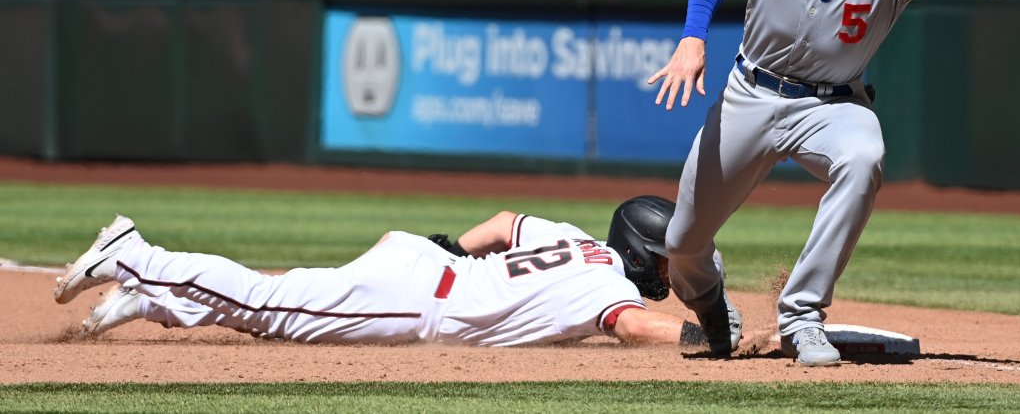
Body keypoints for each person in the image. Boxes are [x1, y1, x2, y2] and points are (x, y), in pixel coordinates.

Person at [648, 0, 1003, 363]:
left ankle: (802, 315)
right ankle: (712, 302)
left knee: (864, 155)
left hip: (831, 103)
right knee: (683, 244)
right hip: (752, 91)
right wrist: (693, 38)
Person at [53, 197, 722, 350]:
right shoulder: (609, 286)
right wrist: (705, 339)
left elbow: (502, 220)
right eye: (670, 254)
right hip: (411, 302)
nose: (679, 264)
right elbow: (634, 325)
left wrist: (448, 248)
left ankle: (147, 297)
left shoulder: (579, 242)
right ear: (639, 252)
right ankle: (134, 253)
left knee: (279, 304)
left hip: (423, 265)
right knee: (269, 306)